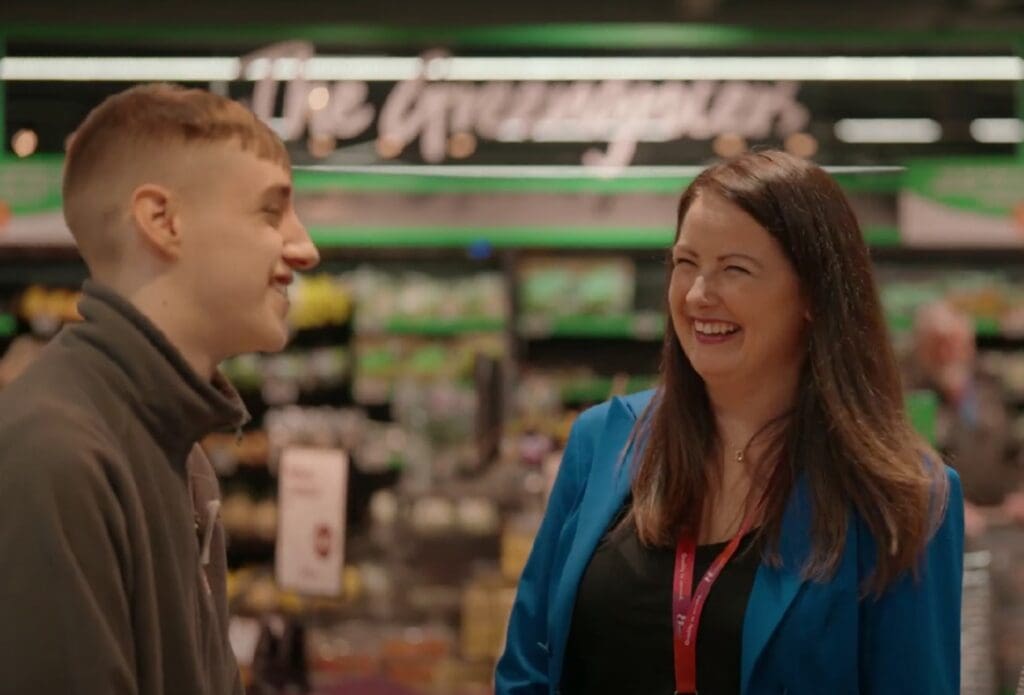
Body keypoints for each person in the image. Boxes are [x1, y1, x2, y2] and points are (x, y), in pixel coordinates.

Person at [496, 150, 964, 695]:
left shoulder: (900, 498)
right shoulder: (602, 442)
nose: (698, 295)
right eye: (685, 263)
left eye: (734, 269)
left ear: (813, 294)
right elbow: (526, 668)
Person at [0, 84, 319, 694]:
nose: (305, 248)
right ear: (162, 221)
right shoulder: (55, 456)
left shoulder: (180, 454)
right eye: (270, 212)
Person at [907, 299, 1022, 535]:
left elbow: (1016, 448)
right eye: (937, 344)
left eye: (955, 342)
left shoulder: (993, 389)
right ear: (921, 350)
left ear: (969, 345)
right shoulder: (911, 398)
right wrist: (950, 506)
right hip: (942, 527)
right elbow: (910, 472)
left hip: (1001, 522)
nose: (947, 353)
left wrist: (1020, 492)